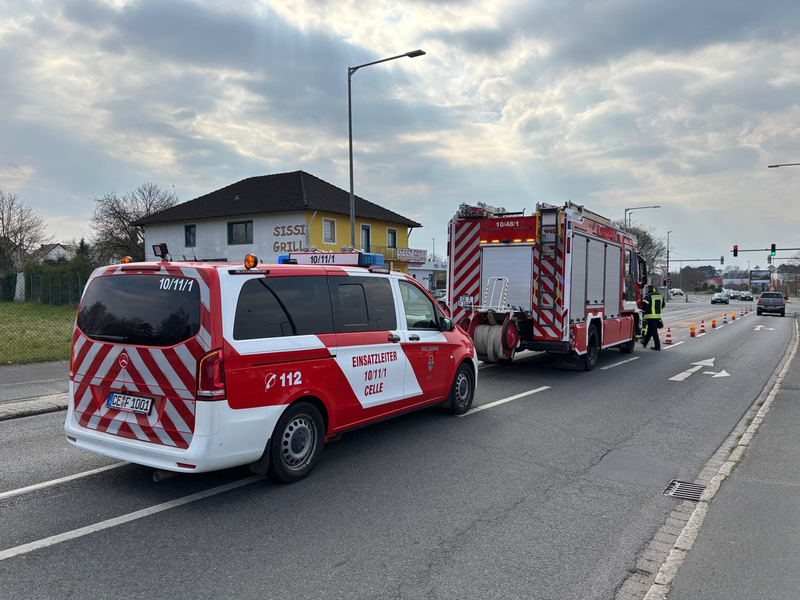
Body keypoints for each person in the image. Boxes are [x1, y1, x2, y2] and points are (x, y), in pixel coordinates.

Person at [641, 284, 664, 351]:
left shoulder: (648, 296)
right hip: (658, 316)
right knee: (650, 331)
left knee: (654, 332)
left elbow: (644, 306)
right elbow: (663, 305)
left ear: (648, 289)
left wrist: (643, 313)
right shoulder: (660, 295)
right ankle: (645, 343)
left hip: (650, 317)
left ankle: (657, 346)